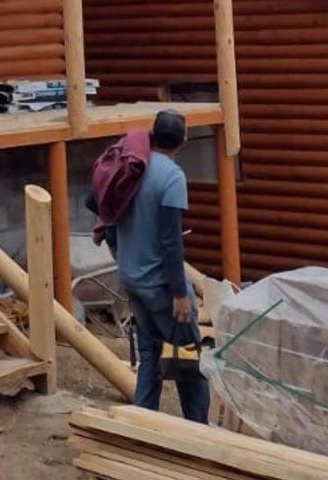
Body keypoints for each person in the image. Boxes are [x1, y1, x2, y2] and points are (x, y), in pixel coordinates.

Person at [102, 109, 208, 422]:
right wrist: (179, 293)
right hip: (161, 285)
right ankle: (199, 432)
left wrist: (119, 250)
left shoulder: (132, 169)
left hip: (132, 279)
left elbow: (102, 209)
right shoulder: (172, 176)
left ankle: (143, 424)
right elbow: (170, 240)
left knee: (150, 355)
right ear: (184, 140)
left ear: (153, 134)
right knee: (188, 357)